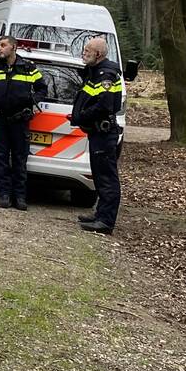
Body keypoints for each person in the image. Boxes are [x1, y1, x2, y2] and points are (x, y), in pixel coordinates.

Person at [0, 36, 47, 211]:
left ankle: (20, 197)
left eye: (3, 45)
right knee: (1, 159)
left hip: (20, 120)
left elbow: (42, 88)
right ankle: (4, 195)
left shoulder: (28, 68)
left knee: (20, 160)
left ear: (14, 47)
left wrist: (32, 101)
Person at [70, 36, 123, 235]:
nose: (84, 53)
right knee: (100, 178)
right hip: (97, 132)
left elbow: (104, 105)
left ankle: (106, 221)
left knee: (107, 178)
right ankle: (100, 214)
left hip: (104, 133)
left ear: (98, 54)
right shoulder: (94, 73)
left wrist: (82, 116)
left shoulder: (105, 75)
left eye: (87, 50)